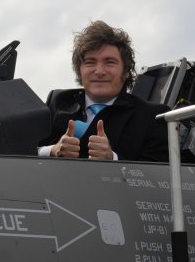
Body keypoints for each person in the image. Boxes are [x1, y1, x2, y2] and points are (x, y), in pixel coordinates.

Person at [38, 20, 169, 162]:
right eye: (90, 62)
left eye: (110, 62)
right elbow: (18, 148)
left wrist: (112, 158)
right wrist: (52, 150)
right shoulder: (58, 101)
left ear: (126, 71)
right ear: (79, 70)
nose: (99, 71)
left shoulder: (154, 116)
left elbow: (161, 175)